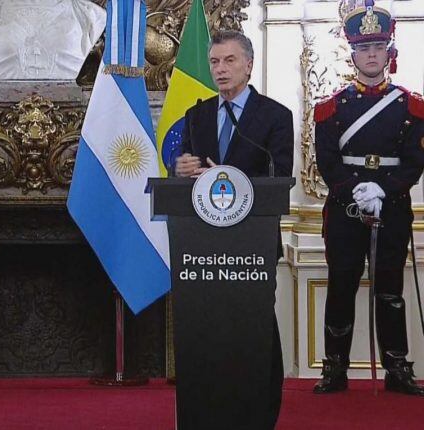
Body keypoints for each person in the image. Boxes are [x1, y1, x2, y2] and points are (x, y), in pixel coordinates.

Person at [174, 30, 294, 428]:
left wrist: (222, 174)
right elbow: (187, 169)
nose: (220, 70)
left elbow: (280, 176)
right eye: (214, 62)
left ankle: (259, 411)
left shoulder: (275, 116)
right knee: (210, 327)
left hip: (252, 245)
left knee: (253, 326)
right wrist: (183, 170)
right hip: (205, 247)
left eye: (228, 61)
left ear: (249, 65)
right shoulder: (197, 114)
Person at [313, 0, 424, 396]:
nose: (371, 55)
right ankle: (335, 369)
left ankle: (397, 369)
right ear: (353, 52)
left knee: (390, 290)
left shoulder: (412, 106)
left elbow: (414, 161)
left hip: (391, 209)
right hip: (346, 208)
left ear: (389, 52)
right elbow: (326, 160)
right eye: (364, 48)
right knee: (341, 285)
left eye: (378, 47)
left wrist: (384, 189)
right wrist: (356, 190)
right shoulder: (330, 108)